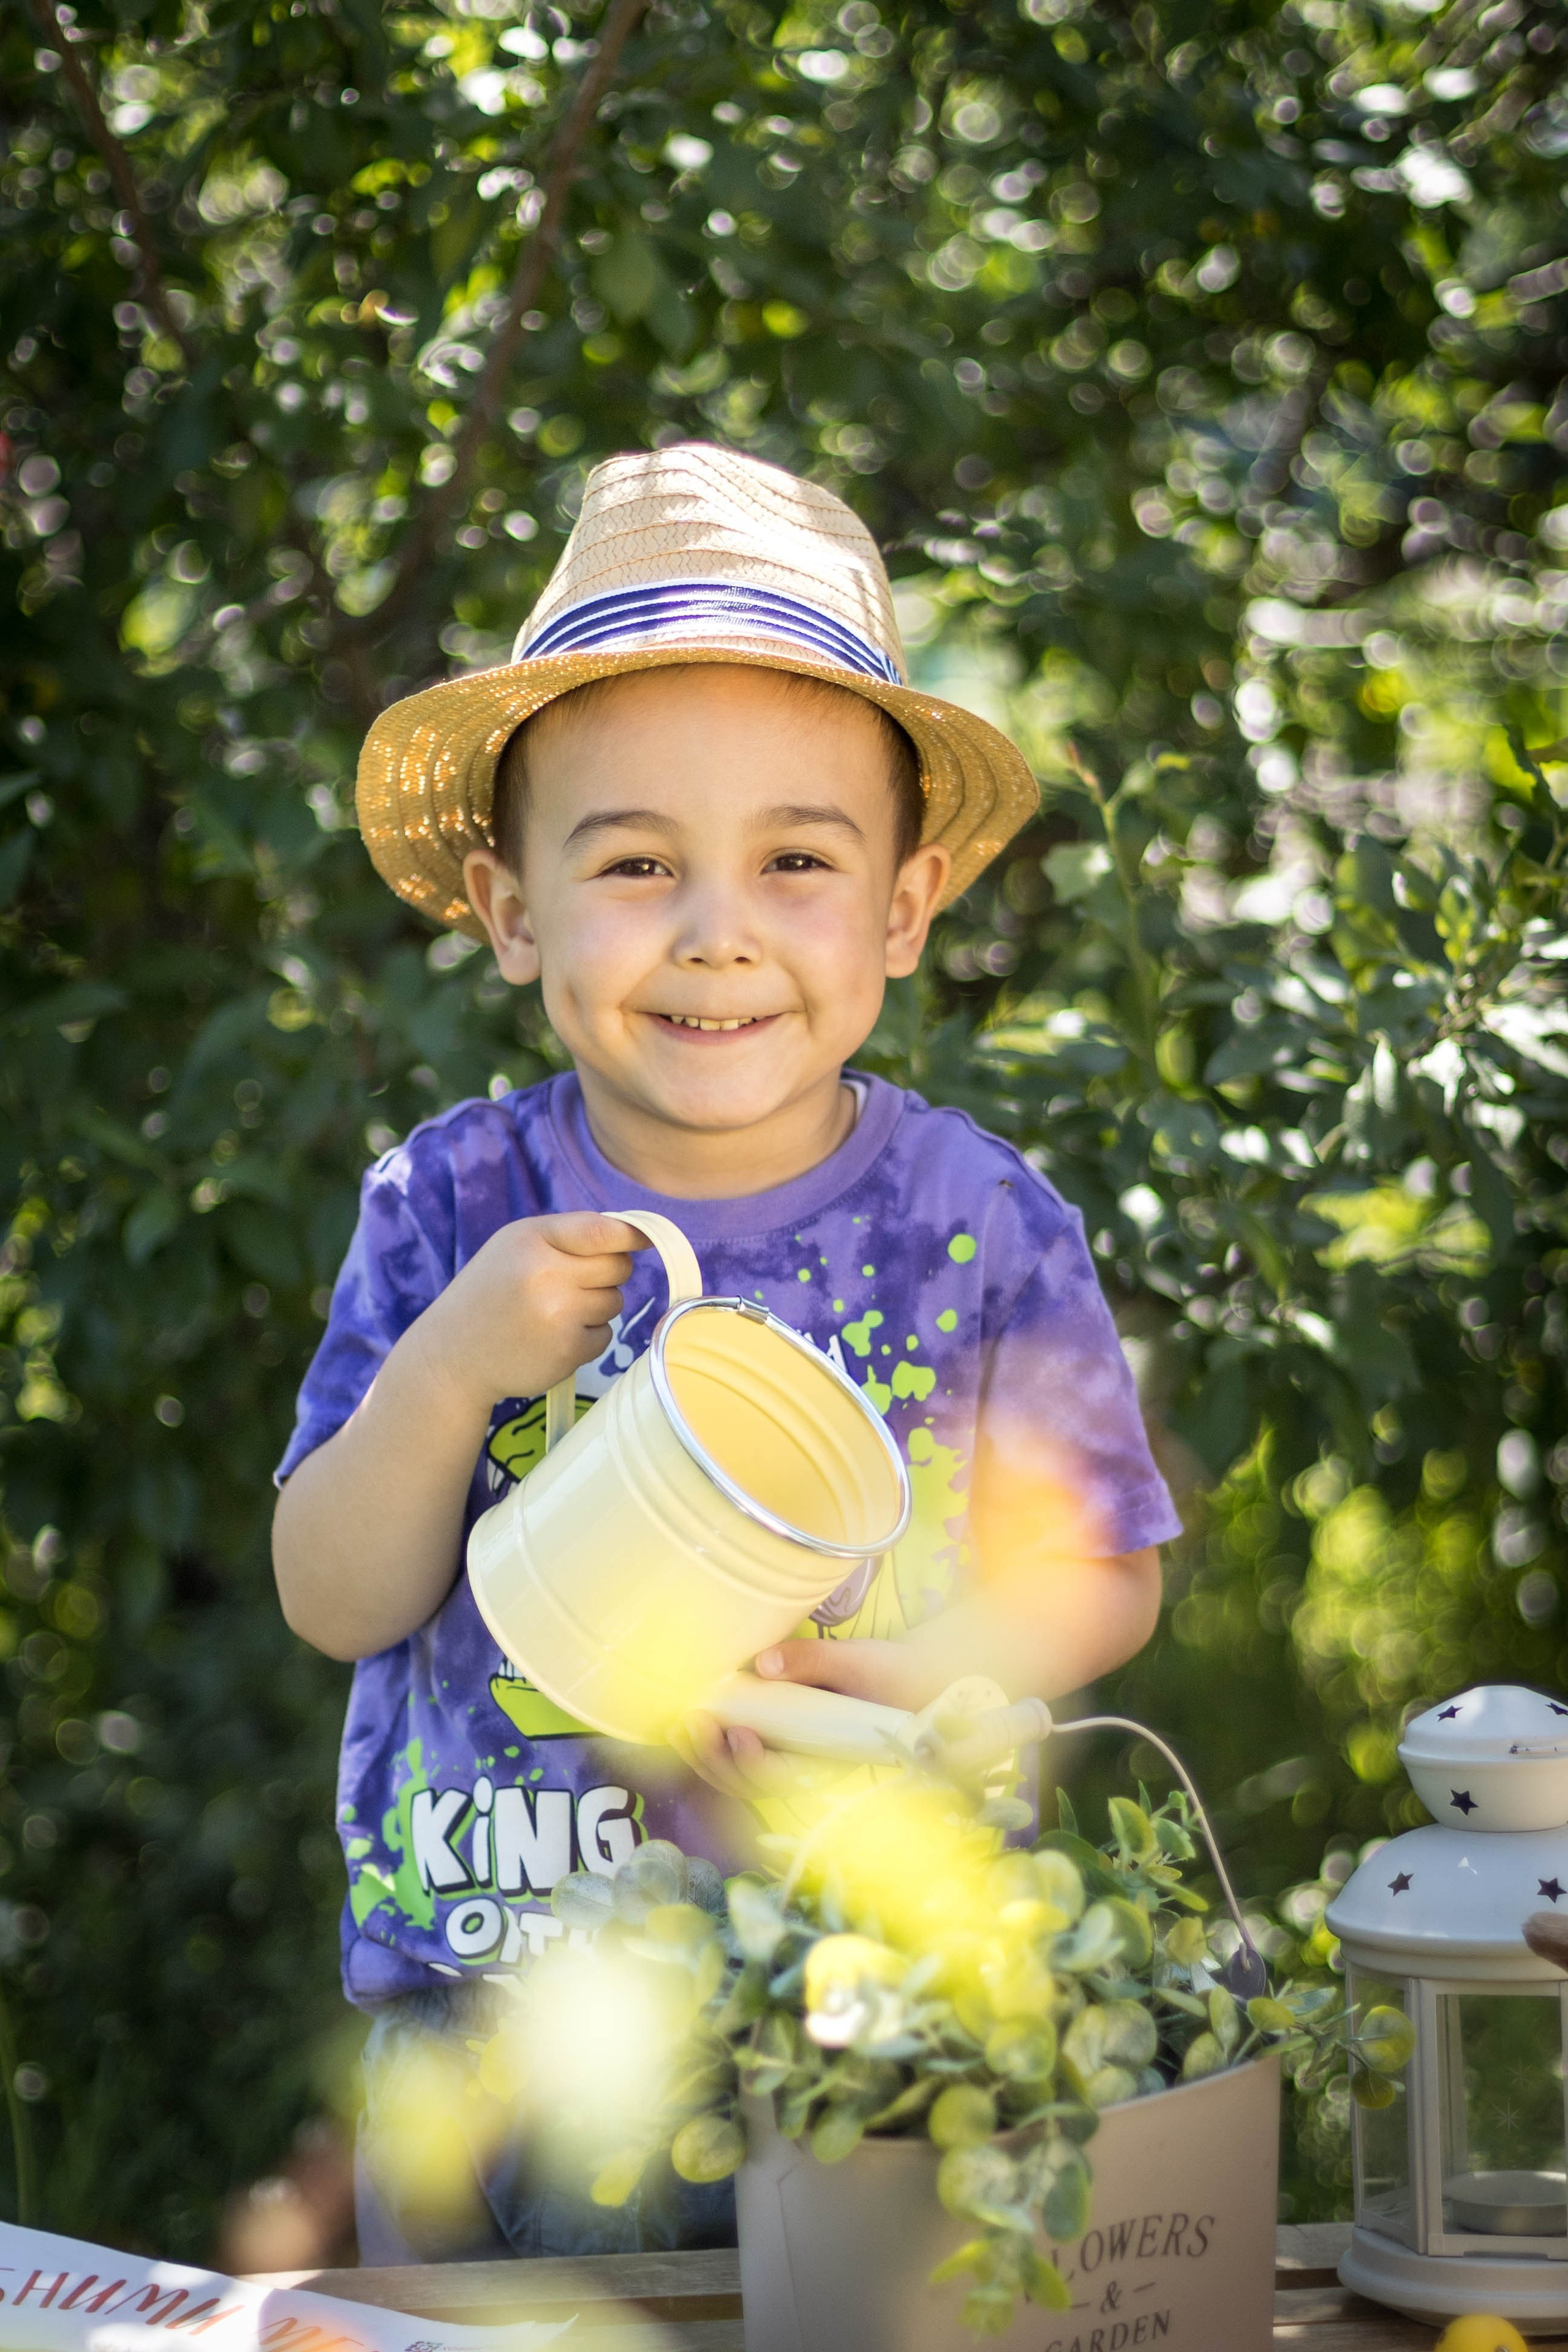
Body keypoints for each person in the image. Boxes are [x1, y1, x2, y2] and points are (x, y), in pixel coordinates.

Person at [271, 442, 1181, 2263]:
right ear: (513, 910)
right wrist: (455, 1371)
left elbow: (1097, 1578)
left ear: (904, 908)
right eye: (633, 863)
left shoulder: (973, 1219)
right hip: (496, 2017)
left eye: (795, 860)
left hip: (856, 2024)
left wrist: (927, 1672)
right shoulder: (455, 1208)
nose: (716, 932)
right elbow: (333, 1593)